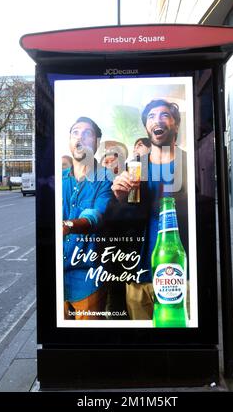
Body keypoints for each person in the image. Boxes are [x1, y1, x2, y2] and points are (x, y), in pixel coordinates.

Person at [111, 99, 188, 320]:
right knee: (141, 338)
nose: (157, 120)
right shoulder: (136, 167)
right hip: (138, 271)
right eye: (152, 116)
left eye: (164, 115)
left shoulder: (189, 163)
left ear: (175, 123)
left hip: (180, 273)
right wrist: (119, 198)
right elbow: (122, 220)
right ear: (147, 127)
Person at [62, 116, 114, 320]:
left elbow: (95, 217)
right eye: (75, 132)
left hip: (88, 279)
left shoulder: (106, 177)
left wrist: (67, 225)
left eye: (87, 133)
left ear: (97, 142)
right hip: (58, 278)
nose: (80, 137)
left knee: (89, 342)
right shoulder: (59, 180)